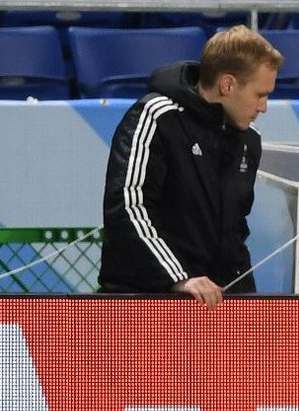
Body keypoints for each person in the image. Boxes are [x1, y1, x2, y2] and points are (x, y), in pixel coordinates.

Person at [98, 25, 282, 309]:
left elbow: (234, 232)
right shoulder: (156, 116)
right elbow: (128, 208)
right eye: (260, 94)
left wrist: (246, 303)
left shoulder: (249, 140)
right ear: (228, 84)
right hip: (145, 301)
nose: (264, 107)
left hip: (213, 305)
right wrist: (180, 278)